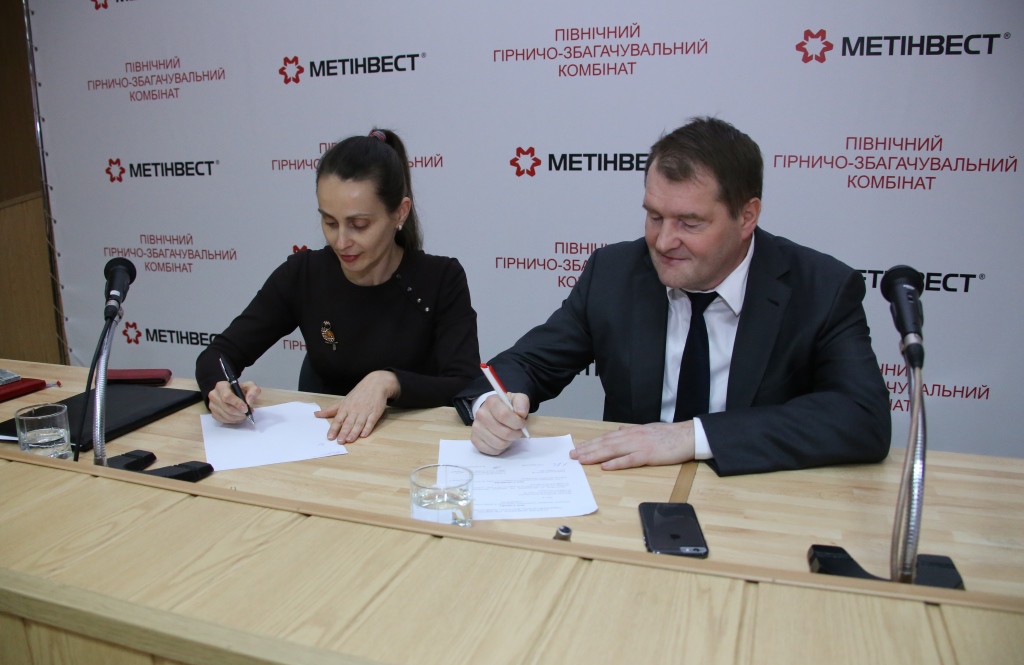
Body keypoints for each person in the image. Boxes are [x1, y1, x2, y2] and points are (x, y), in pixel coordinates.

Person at [457, 117, 890, 476]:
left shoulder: (821, 288)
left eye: (690, 223)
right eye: (654, 216)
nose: (664, 242)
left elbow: (861, 417)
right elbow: (526, 364)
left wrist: (693, 435)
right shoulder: (615, 273)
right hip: (631, 494)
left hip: (758, 503)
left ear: (746, 217)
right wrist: (492, 405)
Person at [197, 129, 480, 443]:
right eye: (330, 222)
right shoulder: (303, 274)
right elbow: (218, 355)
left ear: (399, 213)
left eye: (359, 225)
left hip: (411, 447)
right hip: (324, 445)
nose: (341, 241)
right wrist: (221, 392)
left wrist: (389, 382)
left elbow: (465, 383)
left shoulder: (441, 278)